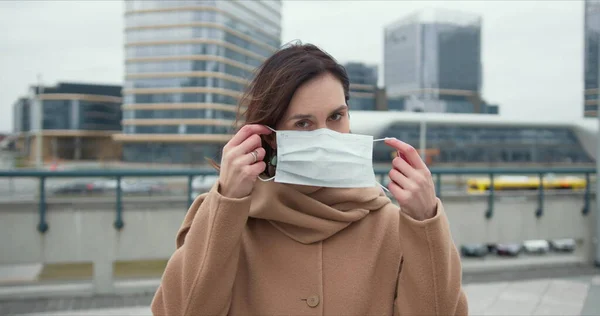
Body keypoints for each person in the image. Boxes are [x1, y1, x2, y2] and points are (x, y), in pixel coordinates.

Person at [151, 43, 468, 315]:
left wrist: (425, 221)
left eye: (336, 116)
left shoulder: (393, 226)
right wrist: (228, 201)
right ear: (270, 135)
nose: (326, 136)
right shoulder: (223, 220)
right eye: (303, 123)